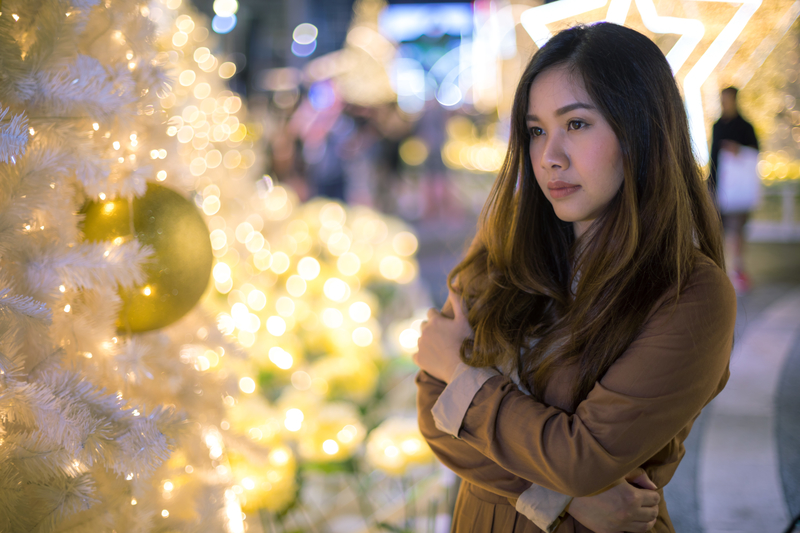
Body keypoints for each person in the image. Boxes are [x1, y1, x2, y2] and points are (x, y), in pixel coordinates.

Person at [413, 22, 735, 533]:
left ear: (641, 129)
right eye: (537, 130)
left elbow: (583, 460)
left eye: (577, 124)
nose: (549, 156)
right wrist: (556, 497)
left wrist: (458, 373)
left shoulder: (688, 292)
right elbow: (434, 417)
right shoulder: (506, 244)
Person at [709, 86, 760, 292]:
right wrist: (710, 185)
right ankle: (727, 270)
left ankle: (737, 270)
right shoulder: (717, 126)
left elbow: (755, 153)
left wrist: (738, 150)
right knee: (720, 231)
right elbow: (714, 157)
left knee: (735, 230)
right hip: (720, 189)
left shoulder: (746, 127)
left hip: (738, 192)